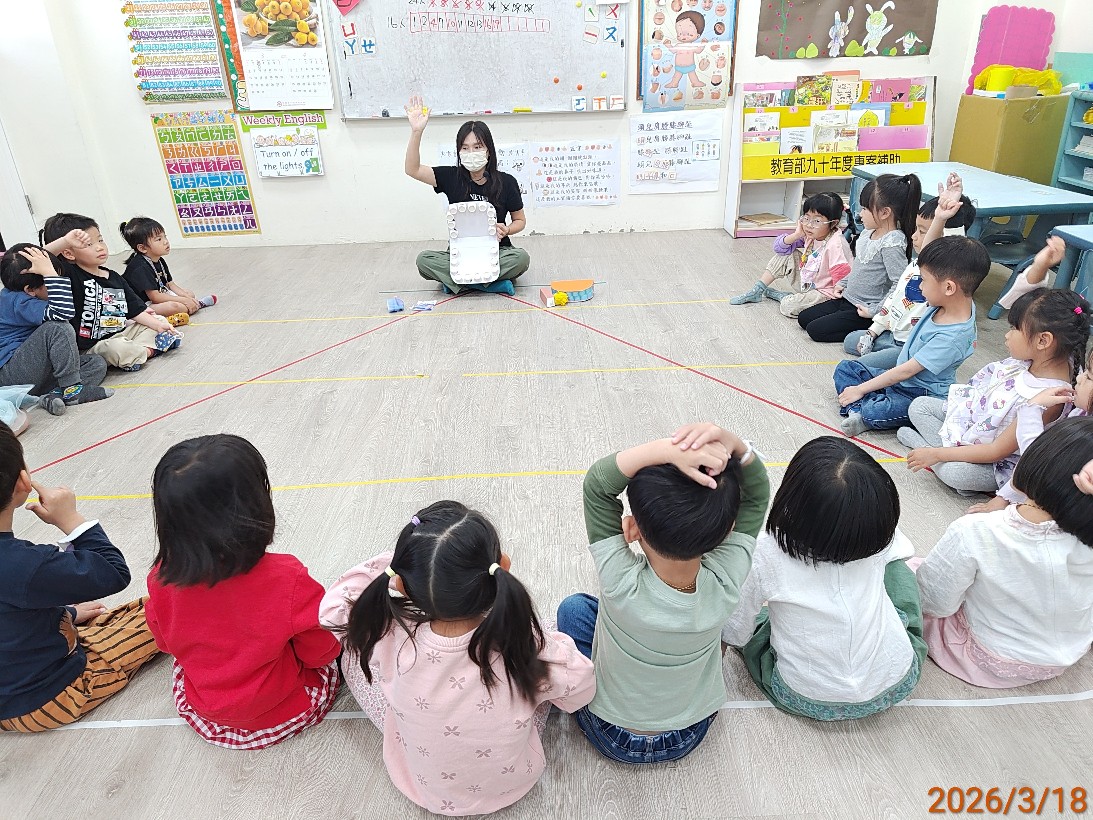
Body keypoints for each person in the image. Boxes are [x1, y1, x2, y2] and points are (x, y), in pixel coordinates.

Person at [321, 501, 595, 816]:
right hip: (511, 785)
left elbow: (332, 611)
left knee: (353, 656)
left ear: (401, 585)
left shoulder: (389, 636)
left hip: (424, 788)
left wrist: (401, 562)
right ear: (502, 567)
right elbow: (582, 687)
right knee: (546, 657)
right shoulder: (522, 641)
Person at [556, 422, 770, 764]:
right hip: (689, 731)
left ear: (632, 529)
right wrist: (735, 444)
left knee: (574, 609)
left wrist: (663, 449)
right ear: (727, 534)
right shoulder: (728, 578)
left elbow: (597, 485)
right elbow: (758, 495)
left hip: (611, 733)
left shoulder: (619, 582)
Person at [145, 435, 340, 749]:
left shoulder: (159, 579)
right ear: (254, 507)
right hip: (284, 710)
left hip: (206, 711)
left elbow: (165, 643)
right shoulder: (287, 577)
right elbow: (321, 652)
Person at [722, 437, 926, 719]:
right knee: (899, 571)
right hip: (894, 680)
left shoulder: (764, 552)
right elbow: (901, 552)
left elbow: (735, 630)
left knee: (757, 632)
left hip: (804, 696)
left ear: (790, 496)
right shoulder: (878, 536)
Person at [0, 423, 158, 731]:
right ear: (23, 482)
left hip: (13, 681)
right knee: (170, 611)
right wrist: (70, 520)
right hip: (46, 698)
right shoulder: (23, 565)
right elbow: (113, 572)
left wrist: (67, 613)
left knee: (146, 608)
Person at [915, 417, 1093, 688]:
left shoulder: (978, 530)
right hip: (1063, 655)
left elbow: (933, 603)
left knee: (907, 575)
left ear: (1036, 460)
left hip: (988, 657)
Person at [898, 283, 1090, 495]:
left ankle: (928, 451)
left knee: (956, 473)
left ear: (1043, 340)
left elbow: (996, 451)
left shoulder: (1051, 398)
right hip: (976, 425)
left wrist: (937, 455)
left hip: (996, 461)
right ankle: (937, 453)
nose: (1007, 335)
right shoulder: (1043, 358)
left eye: (1014, 328)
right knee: (919, 406)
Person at [833, 236, 991, 437]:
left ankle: (861, 410)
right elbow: (928, 256)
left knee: (875, 411)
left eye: (923, 280)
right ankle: (859, 410)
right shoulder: (952, 301)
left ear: (949, 288)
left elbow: (906, 372)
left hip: (920, 392)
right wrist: (939, 220)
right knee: (845, 368)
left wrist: (860, 389)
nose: (920, 286)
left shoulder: (953, 337)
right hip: (900, 380)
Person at [844, 180, 976, 371]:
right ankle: (887, 354)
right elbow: (893, 300)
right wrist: (873, 331)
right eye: (916, 229)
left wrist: (945, 217)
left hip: (911, 345)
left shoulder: (946, 272)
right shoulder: (915, 265)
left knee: (855, 369)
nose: (913, 236)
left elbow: (956, 247)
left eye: (922, 232)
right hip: (893, 333)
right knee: (851, 341)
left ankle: (897, 359)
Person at [404, 96, 529, 295]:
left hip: (496, 251)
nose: (471, 152)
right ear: (459, 151)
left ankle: (458, 282)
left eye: (477, 147)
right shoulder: (451, 177)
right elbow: (413, 169)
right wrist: (416, 132)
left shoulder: (506, 181)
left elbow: (520, 220)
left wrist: (506, 230)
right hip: (461, 251)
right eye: (465, 147)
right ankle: (490, 284)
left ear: (488, 150)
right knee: (423, 261)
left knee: (521, 259)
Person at [41, 213, 181, 373]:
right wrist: (65, 241)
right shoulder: (69, 274)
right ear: (68, 253)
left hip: (122, 332)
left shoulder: (113, 277)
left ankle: (138, 352)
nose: (99, 247)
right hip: (93, 346)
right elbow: (41, 257)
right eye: (89, 244)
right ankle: (149, 350)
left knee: (157, 320)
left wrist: (158, 325)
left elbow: (135, 310)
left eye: (100, 240)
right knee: (117, 348)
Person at [798, 173, 922, 342]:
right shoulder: (867, 233)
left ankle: (874, 330)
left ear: (885, 212)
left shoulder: (892, 242)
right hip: (847, 298)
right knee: (804, 318)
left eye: (865, 209)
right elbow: (858, 267)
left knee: (815, 330)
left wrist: (876, 311)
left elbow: (899, 284)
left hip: (865, 309)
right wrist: (843, 283)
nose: (860, 214)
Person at [0, 244, 111, 413]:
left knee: (96, 363)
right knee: (58, 327)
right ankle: (72, 390)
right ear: (30, 290)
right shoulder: (18, 301)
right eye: (50, 282)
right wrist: (49, 272)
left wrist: (65, 242)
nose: (55, 285)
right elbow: (64, 313)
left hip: (33, 372)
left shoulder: (22, 292)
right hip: (12, 374)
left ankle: (54, 394)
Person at [729, 192, 852, 318]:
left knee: (788, 306)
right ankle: (757, 290)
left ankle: (784, 297)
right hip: (809, 282)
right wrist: (797, 235)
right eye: (806, 218)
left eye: (817, 221)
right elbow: (779, 248)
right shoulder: (812, 234)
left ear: (833, 223)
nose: (809, 225)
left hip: (825, 293)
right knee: (785, 254)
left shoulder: (836, 245)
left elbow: (842, 283)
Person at [119, 217, 216, 326]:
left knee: (190, 294)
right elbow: (155, 297)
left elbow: (170, 284)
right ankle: (166, 319)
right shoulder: (140, 267)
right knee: (175, 307)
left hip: (157, 296)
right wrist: (183, 301)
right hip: (140, 305)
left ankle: (193, 305)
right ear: (142, 248)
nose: (165, 241)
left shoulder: (159, 260)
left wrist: (187, 298)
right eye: (159, 239)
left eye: (165, 236)